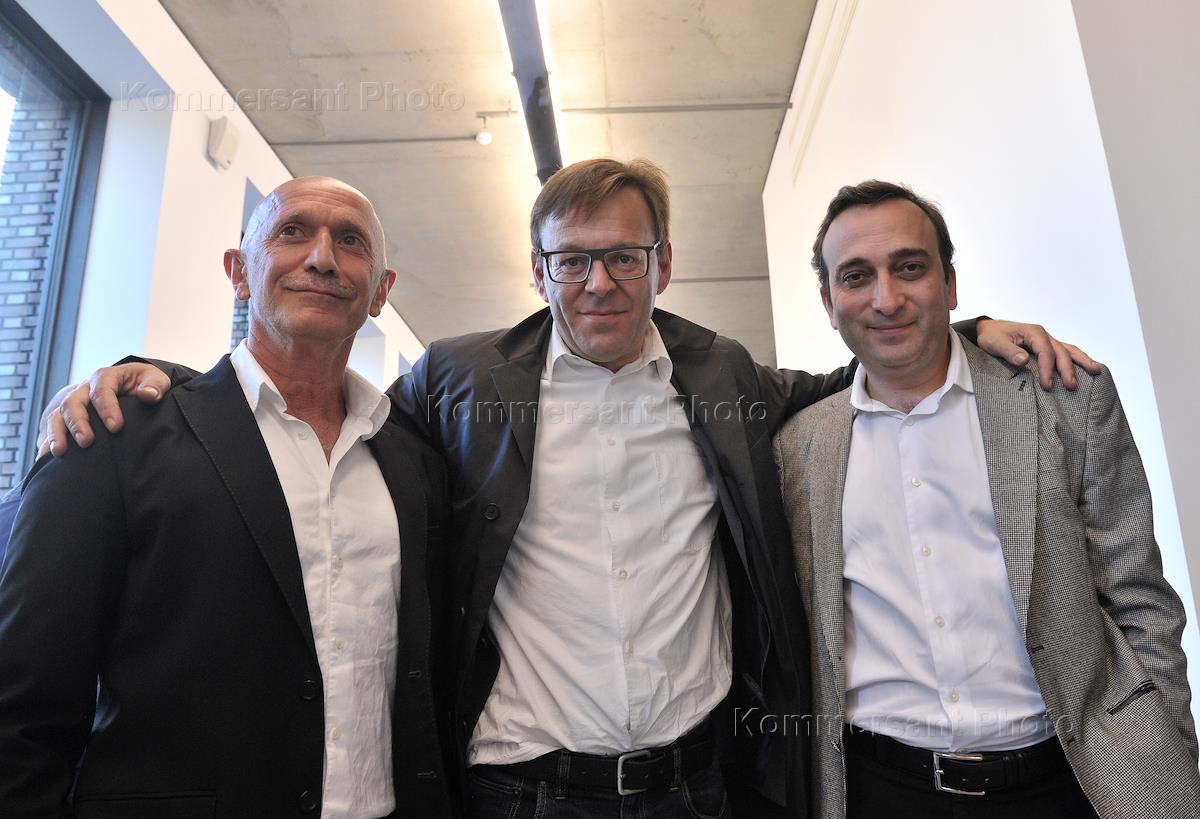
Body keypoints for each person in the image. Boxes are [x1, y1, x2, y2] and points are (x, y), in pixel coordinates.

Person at [34, 159, 1095, 818]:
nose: (598, 283)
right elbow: (312, 415)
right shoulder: (459, 382)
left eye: (623, 257)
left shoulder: (721, 375)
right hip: (521, 792)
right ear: (538, 272)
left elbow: (850, 375)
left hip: (698, 787)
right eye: (571, 261)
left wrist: (965, 330)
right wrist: (154, 377)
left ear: (663, 265)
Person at [0, 177, 454, 817]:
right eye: (292, 232)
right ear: (239, 272)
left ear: (381, 291)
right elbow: (26, 696)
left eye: (351, 242)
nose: (322, 258)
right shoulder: (116, 435)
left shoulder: (415, 462)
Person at [774, 180, 1198, 819]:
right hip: (881, 788)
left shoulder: (1065, 399)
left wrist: (1167, 750)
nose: (886, 298)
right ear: (829, 303)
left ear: (949, 284)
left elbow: (1140, 597)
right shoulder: (799, 448)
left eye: (909, 268)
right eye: (856, 277)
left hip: (1074, 778)